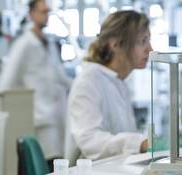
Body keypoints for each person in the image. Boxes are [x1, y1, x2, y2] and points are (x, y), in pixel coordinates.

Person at [65, 10, 153, 161]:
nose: (150, 49)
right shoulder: (89, 81)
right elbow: (90, 141)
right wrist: (140, 143)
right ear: (116, 44)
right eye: (142, 41)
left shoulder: (118, 83)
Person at [0, 0, 72, 166]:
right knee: (44, 163)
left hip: (55, 117)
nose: (47, 16)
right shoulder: (24, 44)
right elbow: (6, 82)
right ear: (31, 14)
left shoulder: (49, 43)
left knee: (56, 163)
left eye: (48, 12)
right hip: (38, 118)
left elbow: (60, 77)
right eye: (43, 11)